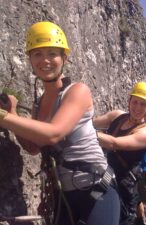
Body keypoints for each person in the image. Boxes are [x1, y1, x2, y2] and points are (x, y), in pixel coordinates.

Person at [0, 21, 120, 225]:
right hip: (62, 197)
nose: (45, 60)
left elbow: (53, 133)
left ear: (64, 57)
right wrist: (12, 113)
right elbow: (33, 147)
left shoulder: (78, 91)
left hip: (96, 190)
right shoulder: (38, 104)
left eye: (52, 53)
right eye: (37, 54)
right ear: (30, 59)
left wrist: (4, 117)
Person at [93, 81, 146, 225]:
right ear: (129, 101)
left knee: (123, 219)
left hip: (124, 184)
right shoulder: (117, 116)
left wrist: (82, 131)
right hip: (105, 175)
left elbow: (113, 143)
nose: (137, 108)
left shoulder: (145, 133)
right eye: (135, 102)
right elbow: (93, 122)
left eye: (143, 104)